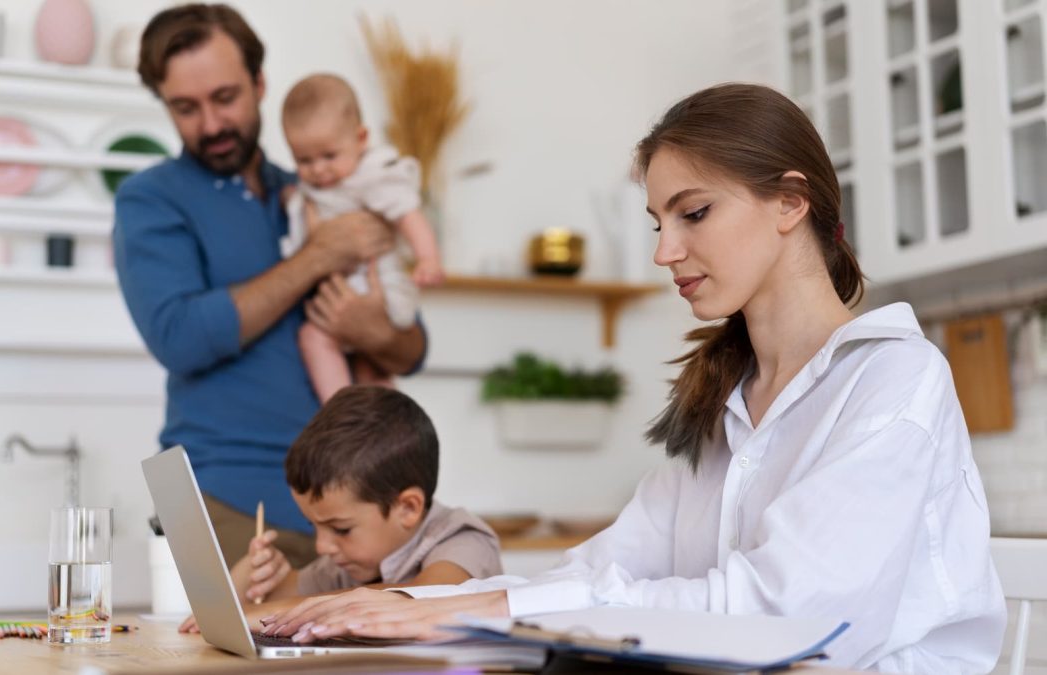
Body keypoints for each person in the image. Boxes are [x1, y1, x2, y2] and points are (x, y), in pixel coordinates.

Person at [253, 84, 1007, 673]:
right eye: (657, 222)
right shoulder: (728, 399)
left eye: (694, 213)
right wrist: (405, 603)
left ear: (790, 200)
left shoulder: (893, 380)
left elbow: (788, 616)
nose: (664, 251)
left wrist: (477, 609)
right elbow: (607, 567)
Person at [113, 3, 427, 569]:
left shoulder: (319, 187)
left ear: (260, 84)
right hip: (225, 500)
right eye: (185, 107)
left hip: (355, 507)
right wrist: (316, 257)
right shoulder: (150, 199)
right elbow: (178, 337)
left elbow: (415, 346)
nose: (210, 124)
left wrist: (372, 327)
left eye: (225, 98)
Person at [180, 385, 501, 633]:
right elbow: (267, 599)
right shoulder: (347, 563)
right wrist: (254, 572)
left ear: (408, 508)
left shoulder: (463, 538)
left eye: (340, 529)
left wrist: (271, 613)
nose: (322, 546)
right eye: (314, 526)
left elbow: (430, 594)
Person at [280, 74, 444, 403]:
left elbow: (409, 215)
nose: (318, 171)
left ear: (361, 138)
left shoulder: (374, 177)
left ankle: (353, 418)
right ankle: (352, 417)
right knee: (334, 351)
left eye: (329, 156)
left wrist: (428, 258)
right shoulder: (316, 186)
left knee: (343, 354)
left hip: (375, 288)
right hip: (343, 293)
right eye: (304, 161)